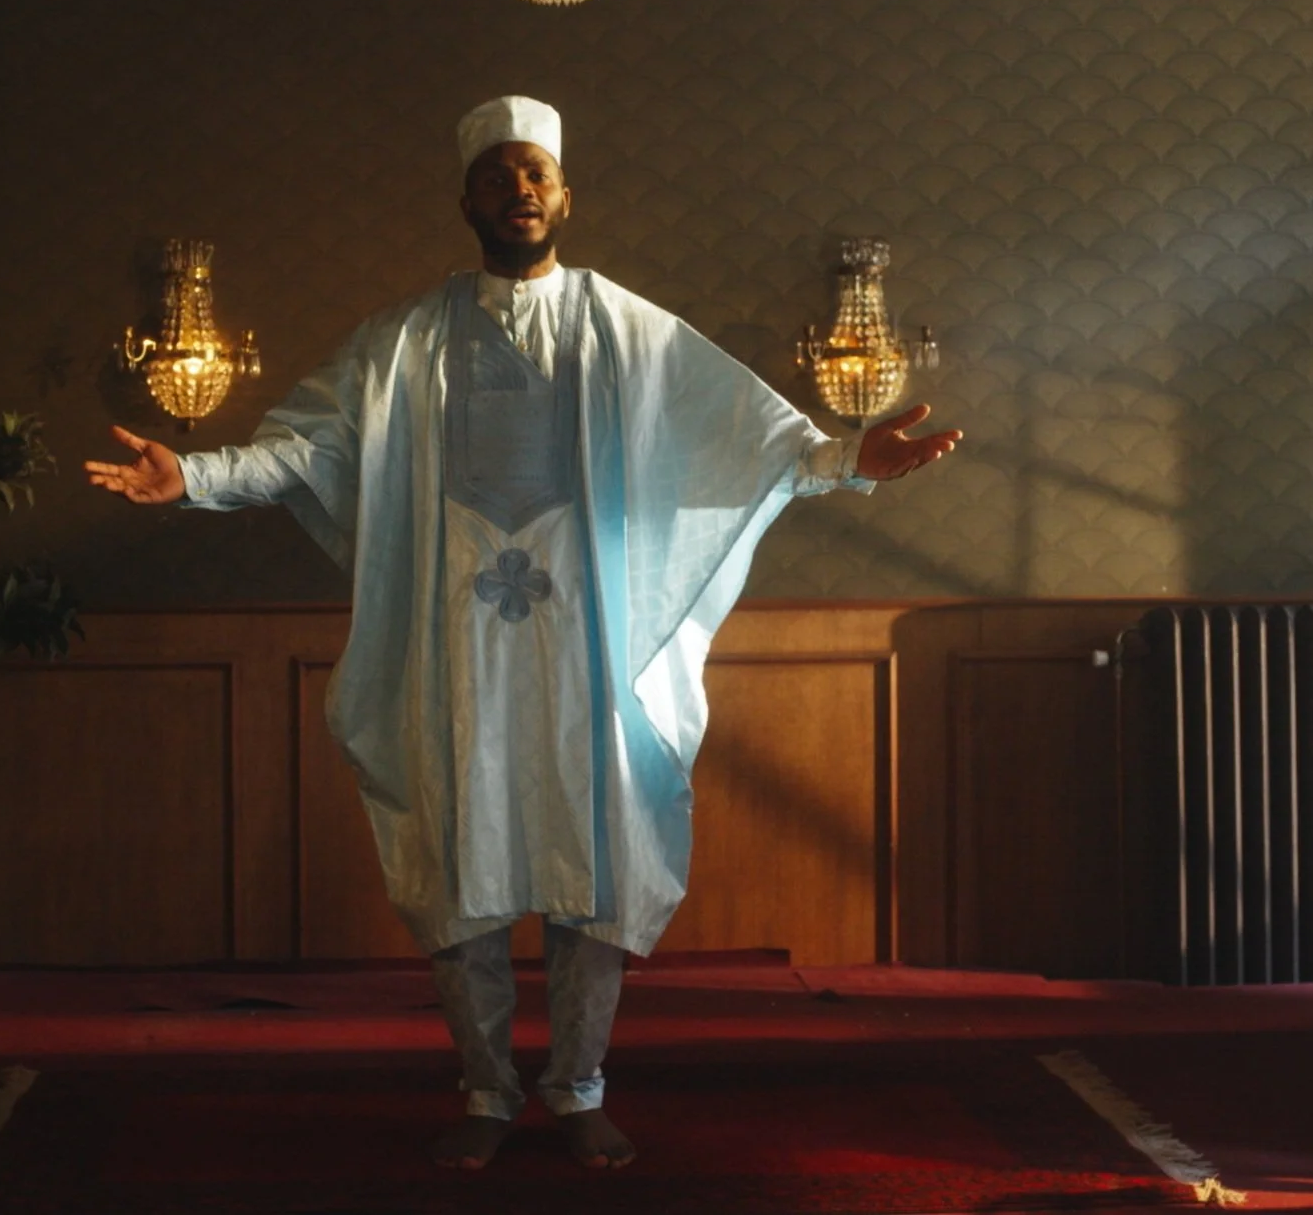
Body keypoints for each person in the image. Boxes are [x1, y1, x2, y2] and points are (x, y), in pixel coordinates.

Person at [88, 97, 961, 1172]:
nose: (519, 191)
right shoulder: (403, 340)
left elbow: (744, 439)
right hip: (451, 651)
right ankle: (486, 1090)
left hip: (588, 649)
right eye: (498, 176)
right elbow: (304, 451)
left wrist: (845, 462)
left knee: (592, 858)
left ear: (564, 195)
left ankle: (579, 1086)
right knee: (462, 861)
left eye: (535, 174)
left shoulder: (629, 329)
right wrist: (194, 477)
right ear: (467, 199)